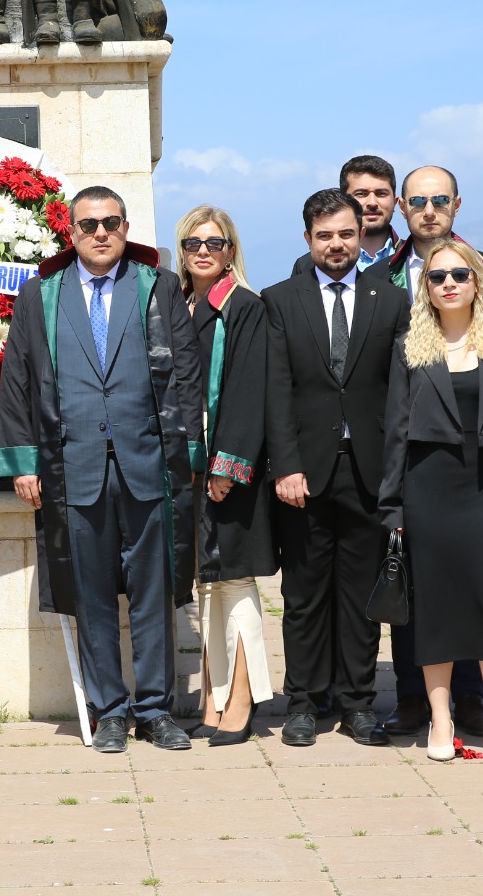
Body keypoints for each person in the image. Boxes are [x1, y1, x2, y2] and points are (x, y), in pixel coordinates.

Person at [0, 186, 203, 752]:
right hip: (73, 466)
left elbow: (184, 374)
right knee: (89, 592)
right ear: (72, 232)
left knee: (153, 591)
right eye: (88, 225)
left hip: (148, 463)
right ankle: (109, 709)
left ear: (126, 226)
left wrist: (187, 453)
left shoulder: (155, 287)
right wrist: (22, 462)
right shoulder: (41, 295)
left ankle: (157, 709)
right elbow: (16, 381)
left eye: (111, 222)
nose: (100, 233)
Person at [264, 189, 410, 748]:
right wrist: (286, 465)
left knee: (360, 598)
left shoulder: (390, 300)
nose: (336, 244)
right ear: (307, 239)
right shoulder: (281, 300)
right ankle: (303, 703)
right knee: (304, 596)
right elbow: (277, 390)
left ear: (361, 236)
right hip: (305, 473)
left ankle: (357, 704)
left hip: (370, 472)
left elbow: (398, 394)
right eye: (325, 235)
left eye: (346, 234)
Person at [379, 240, 483, 764]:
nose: (448, 283)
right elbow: (396, 435)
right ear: (425, 288)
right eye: (437, 276)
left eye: (459, 275)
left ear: (477, 283)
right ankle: (440, 721)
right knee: (437, 611)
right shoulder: (409, 348)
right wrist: (393, 507)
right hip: (427, 491)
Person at [175, 206, 276, 747]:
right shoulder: (178, 304)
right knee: (206, 586)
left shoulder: (245, 308)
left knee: (235, 584)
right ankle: (212, 698)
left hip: (227, 470)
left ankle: (242, 697)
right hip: (187, 468)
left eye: (215, 242)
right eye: (193, 243)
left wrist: (227, 466)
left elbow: (247, 389)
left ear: (231, 250)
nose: (204, 251)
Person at [290, 155, 402, 277]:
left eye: (381, 194)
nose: (372, 203)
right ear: (343, 201)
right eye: (361, 194)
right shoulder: (307, 265)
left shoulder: (413, 259)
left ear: (395, 201)